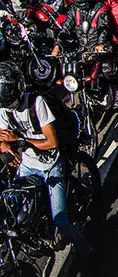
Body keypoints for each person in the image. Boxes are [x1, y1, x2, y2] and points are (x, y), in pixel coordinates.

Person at [0, 62, 94, 256]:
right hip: (27, 164)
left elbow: (51, 142)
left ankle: (87, 250)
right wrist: (6, 147)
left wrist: (19, 139)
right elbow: (2, 137)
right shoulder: (3, 110)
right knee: (19, 215)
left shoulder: (37, 104)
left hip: (51, 165)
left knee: (61, 220)